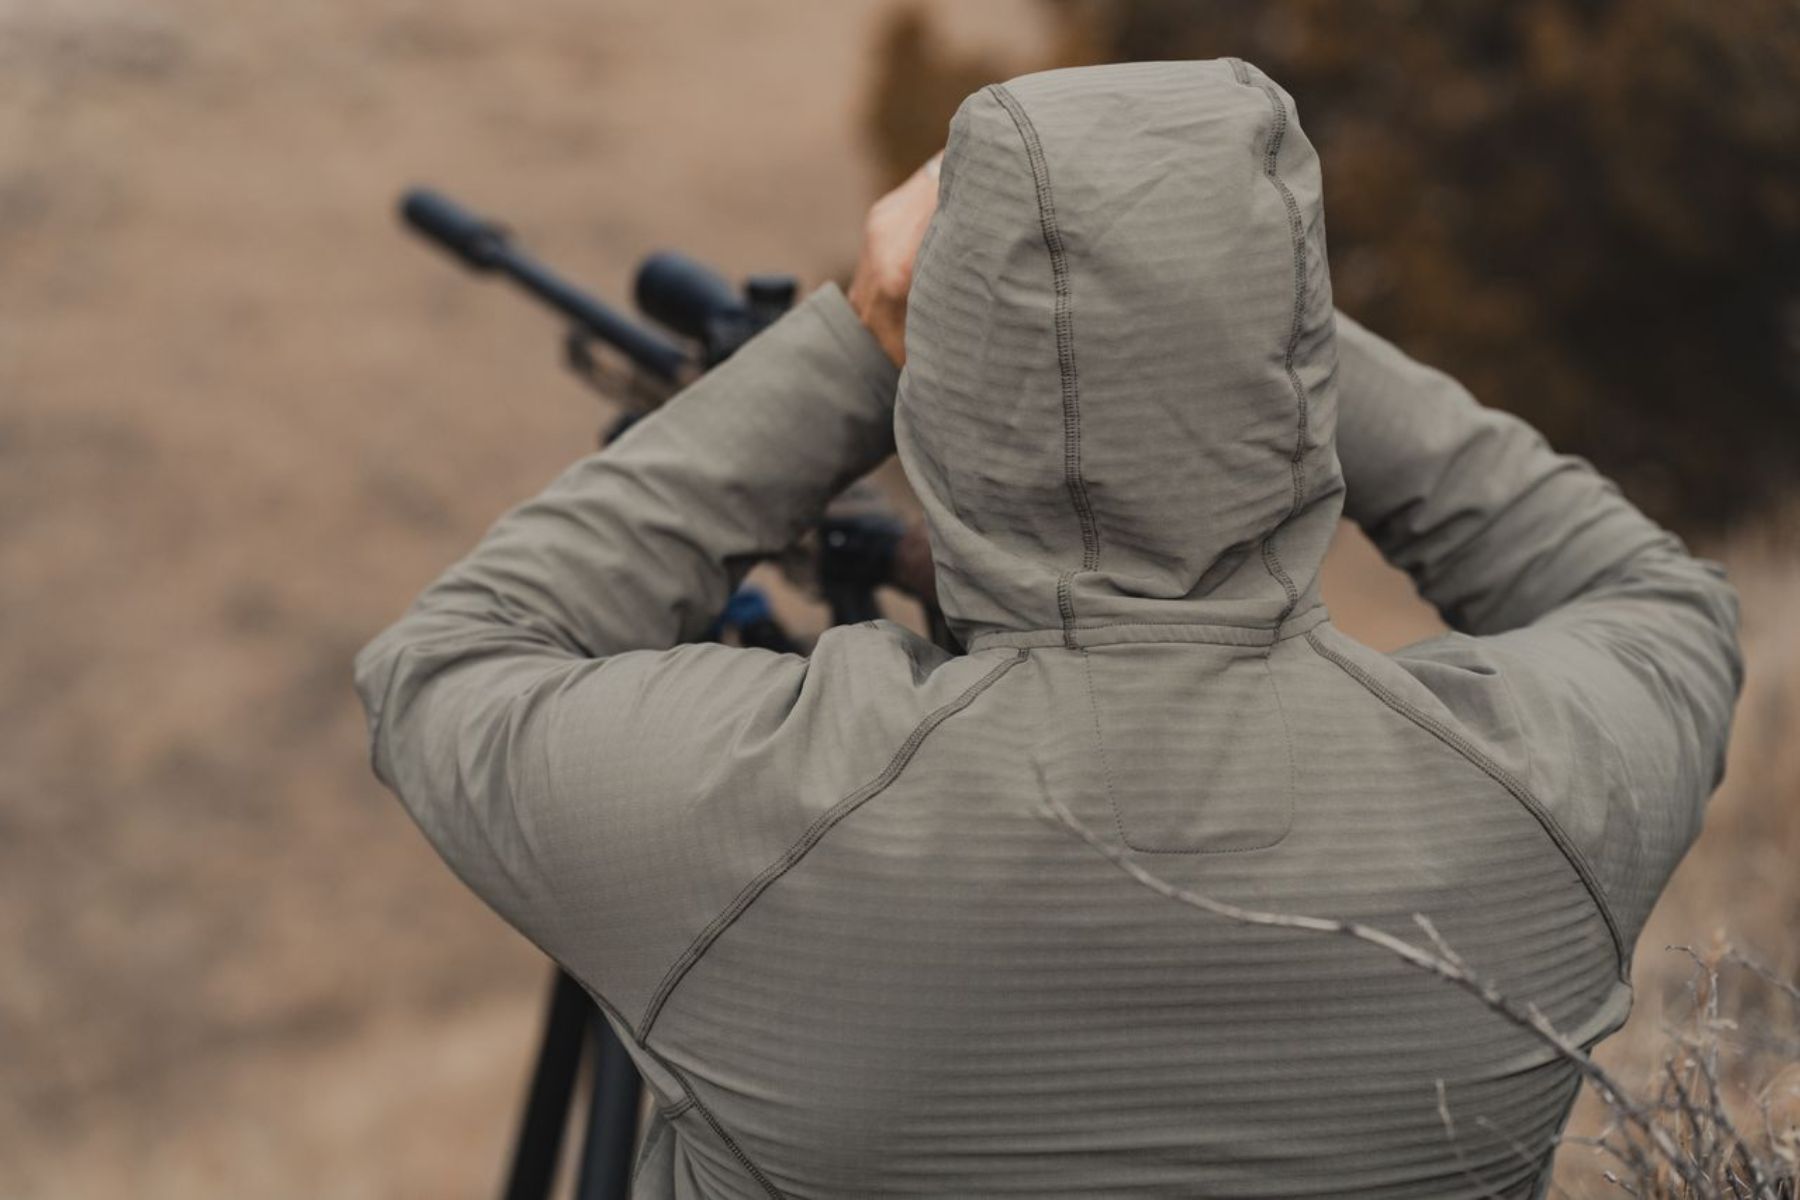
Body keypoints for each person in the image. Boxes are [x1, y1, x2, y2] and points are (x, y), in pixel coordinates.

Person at [354, 59, 1742, 1198]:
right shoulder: (1542, 799)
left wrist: (859, 342)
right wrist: (1262, 318)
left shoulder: (759, 819)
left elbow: (449, 662)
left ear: (949, 381)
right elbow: (1657, 598)